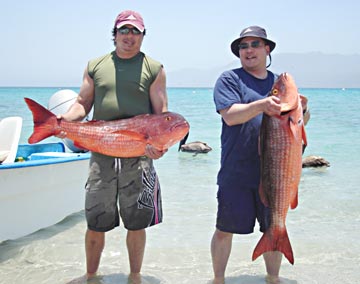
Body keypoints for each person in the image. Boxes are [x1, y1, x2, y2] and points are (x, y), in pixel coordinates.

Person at [63, 10, 168, 283]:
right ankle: (91, 275)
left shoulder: (154, 68)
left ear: (143, 36)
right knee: (95, 218)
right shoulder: (95, 65)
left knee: (137, 220)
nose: (129, 36)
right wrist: (64, 122)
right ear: (115, 34)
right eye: (124, 30)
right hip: (102, 149)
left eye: (136, 31)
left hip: (139, 153)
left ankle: (135, 276)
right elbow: (82, 104)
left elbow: (161, 113)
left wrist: (161, 145)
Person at [211, 26, 308, 283]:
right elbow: (230, 116)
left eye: (255, 44)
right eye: (243, 46)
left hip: (276, 172)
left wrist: (303, 110)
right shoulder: (230, 80)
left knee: (274, 226)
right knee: (224, 229)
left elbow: (299, 126)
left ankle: (272, 278)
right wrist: (262, 105)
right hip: (236, 171)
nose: (249, 50)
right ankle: (218, 279)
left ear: (267, 49)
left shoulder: (276, 83)